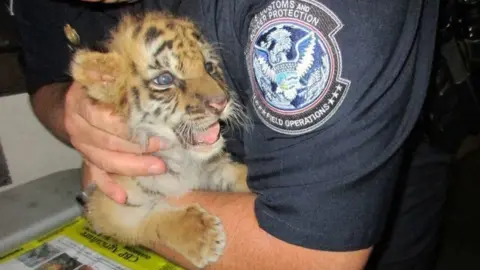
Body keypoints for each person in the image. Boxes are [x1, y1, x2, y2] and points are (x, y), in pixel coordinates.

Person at [12, 0, 451, 269]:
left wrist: (149, 213)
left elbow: (309, 256)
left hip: (367, 169)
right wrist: (75, 111)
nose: (217, 95)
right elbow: (46, 79)